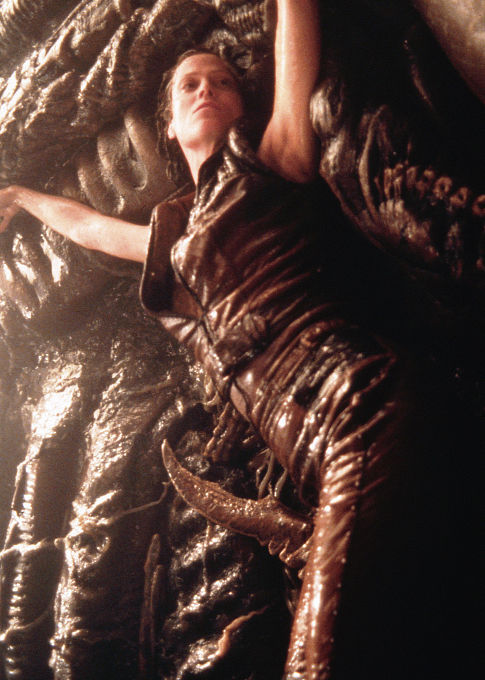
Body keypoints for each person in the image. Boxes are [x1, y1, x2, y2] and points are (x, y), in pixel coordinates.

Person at [0, 1, 455, 678]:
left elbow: (295, 35)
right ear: (169, 122)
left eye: (222, 82)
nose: (206, 90)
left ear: (243, 106)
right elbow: (91, 228)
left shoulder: (269, 160)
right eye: (189, 84)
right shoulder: (174, 236)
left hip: (356, 400)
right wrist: (20, 197)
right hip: (311, 452)